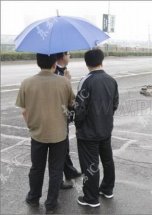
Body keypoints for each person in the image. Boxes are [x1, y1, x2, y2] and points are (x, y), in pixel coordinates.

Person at [16, 53, 75, 213]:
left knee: (37, 168)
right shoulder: (64, 82)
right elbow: (72, 105)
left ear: (37, 63)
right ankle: (51, 203)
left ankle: (33, 198)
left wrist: (32, 126)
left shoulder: (27, 83)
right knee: (56, 170)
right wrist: (68, 82)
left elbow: (24, 111)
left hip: (37, 134)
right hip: (59, 134)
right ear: (55, 63)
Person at [74, 48, 119, 207]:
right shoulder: (111, 80)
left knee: (90, 165)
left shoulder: (86, 81)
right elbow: (115, 104)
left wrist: (78, 125)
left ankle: (91, 198)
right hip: (106, 129)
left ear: (87, 63)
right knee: (107, 160)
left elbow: (79, 108)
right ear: (102, 60)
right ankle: (107, 189)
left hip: (89, 132)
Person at [55, 51, 81, 189]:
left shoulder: (63, 71)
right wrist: (66, 82)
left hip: (64, 115)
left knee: (64, 146)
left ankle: (69, 171)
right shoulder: (54, 72)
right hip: (58, 116)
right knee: (60, 147)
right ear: (62, 56)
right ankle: (58, 181)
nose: (70, 56)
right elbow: (60, 96)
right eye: (68, 54)